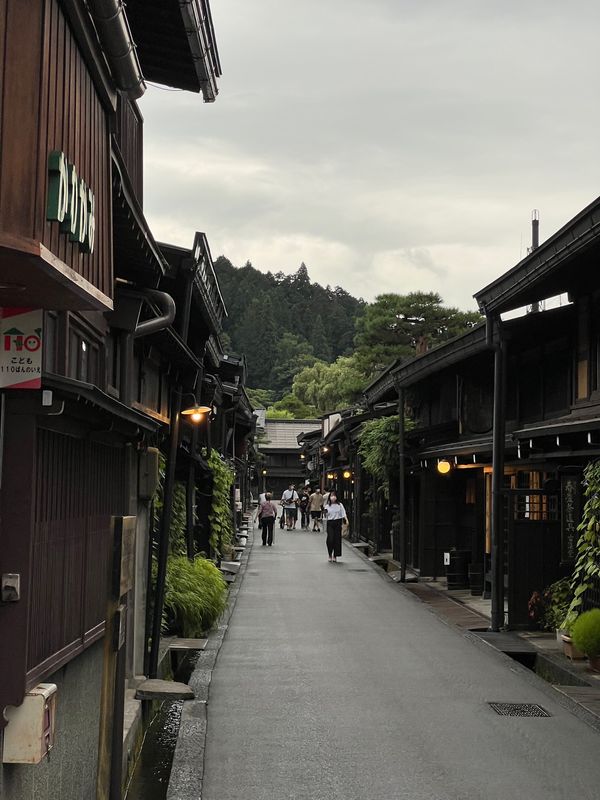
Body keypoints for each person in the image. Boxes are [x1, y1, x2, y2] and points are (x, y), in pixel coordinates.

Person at [325, 491, 348, 563]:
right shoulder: (327, 505)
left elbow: (343, 513)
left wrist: (346, 520)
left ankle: (335, 555)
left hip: (338, 522)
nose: (333, 497)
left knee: (337, 539)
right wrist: (325, 513)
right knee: (330, 539)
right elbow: (325, 515)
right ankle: (329, 554)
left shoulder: (340, 505)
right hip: (330, 523)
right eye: (331, 496)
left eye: (334, 495)